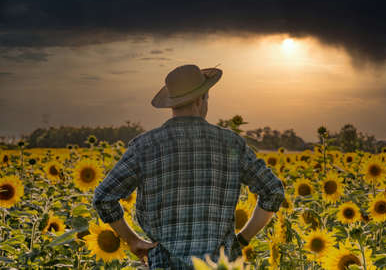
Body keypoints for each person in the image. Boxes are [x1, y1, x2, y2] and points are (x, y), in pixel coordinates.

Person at [92, 64, 286, 269]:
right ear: (200, 99)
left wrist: (132, 240)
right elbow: (272, 191)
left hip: (164, 264)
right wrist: (243, 239)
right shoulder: (231, 143)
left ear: (172, 104)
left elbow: (104, 198)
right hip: (219, 264)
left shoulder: (145, 146)